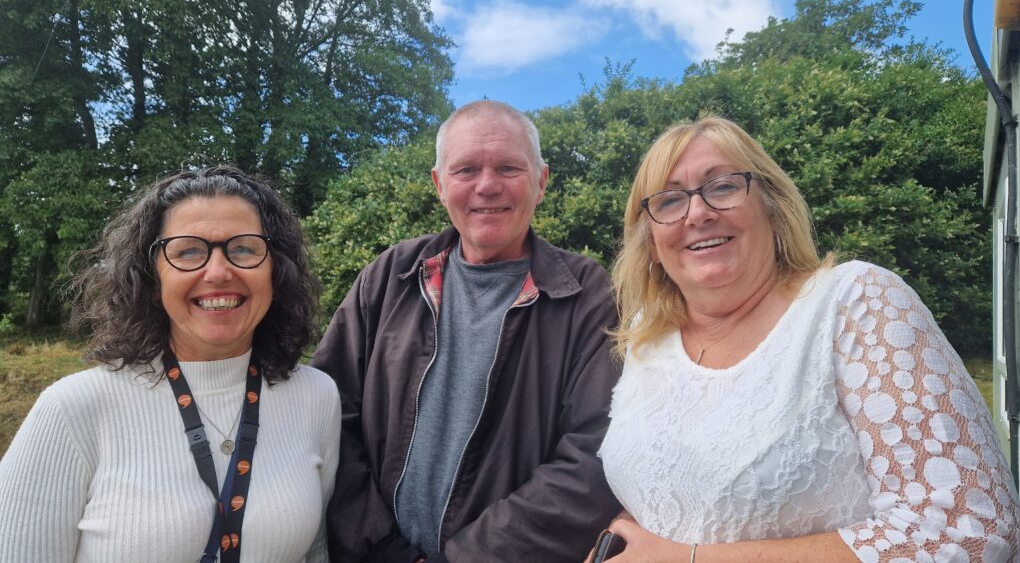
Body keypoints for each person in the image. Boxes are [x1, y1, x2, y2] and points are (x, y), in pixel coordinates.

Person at [597, 117, 1020, 562]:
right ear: (649, 238)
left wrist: (687, 559)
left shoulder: (853, 303)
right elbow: (664, 487)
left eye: (722, 187)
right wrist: (619, 538)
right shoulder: (650, 338)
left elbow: (970, 532)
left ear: (772, 206)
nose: (698, 213)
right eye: (668, 200)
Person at [311, 99, 622, 562]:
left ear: (541, 182)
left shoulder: (587, 296)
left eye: (509, 168)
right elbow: (328, 416)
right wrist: (381, 549)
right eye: (466, 169)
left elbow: (595, 453)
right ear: (440, 185)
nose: (487, 185)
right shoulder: (390, 276)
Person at [0, 166, 340, 563]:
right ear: (152, 278)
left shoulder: (317, 396)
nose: (218, 272)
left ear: (276, 273)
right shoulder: (73, 409)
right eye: (188, 251)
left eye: (245, 248)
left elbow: (317, 552)